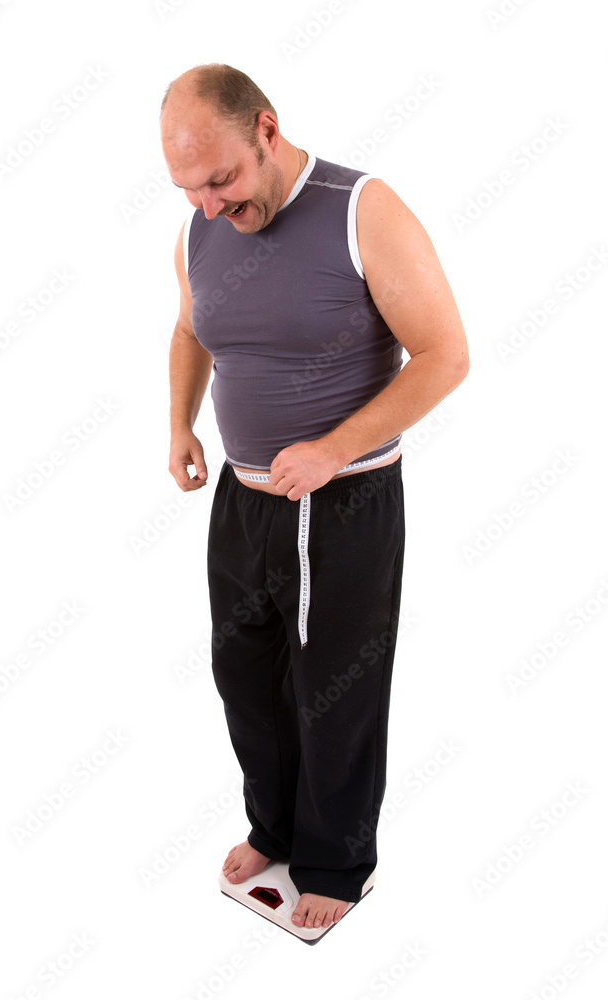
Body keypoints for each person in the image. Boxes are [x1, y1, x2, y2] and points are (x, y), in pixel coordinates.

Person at [160, 63, 469, 932]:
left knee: (333, 686)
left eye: (221, 179)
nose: (208, 205)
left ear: (266, 129)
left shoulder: (361, 209)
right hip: (243, 497)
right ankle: (275, 828)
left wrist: (334, 450)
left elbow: (444, 355)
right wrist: (179, 423)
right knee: (244, 674)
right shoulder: (200, 227)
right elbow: (189, 327)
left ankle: (334, 861)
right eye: (189, 189)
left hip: (345, 501)